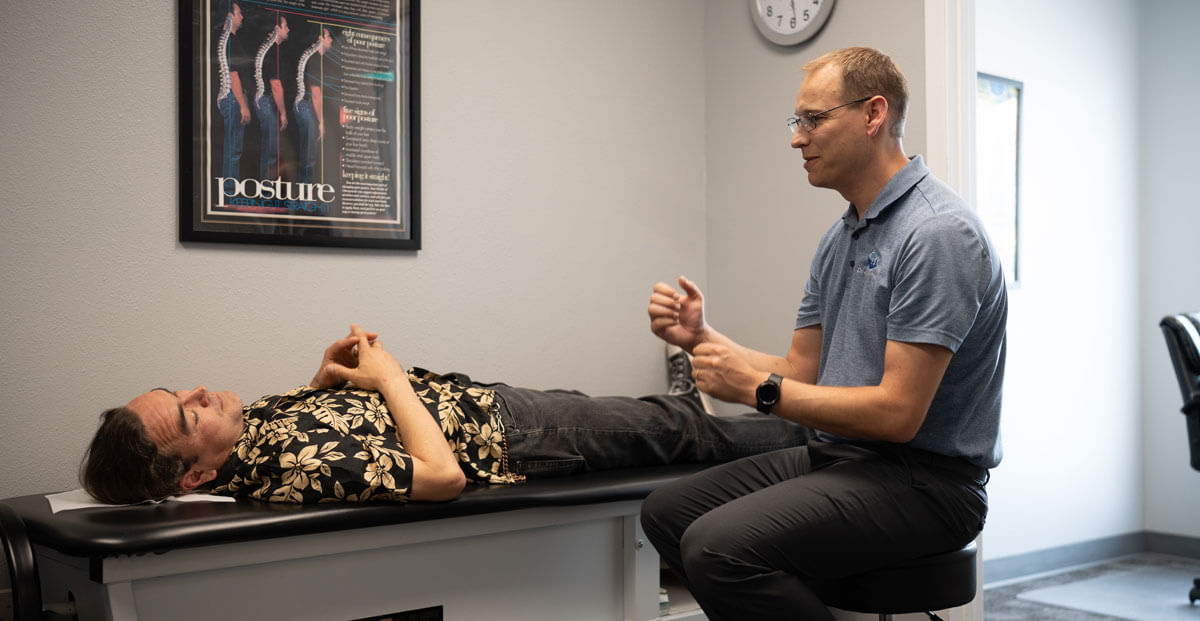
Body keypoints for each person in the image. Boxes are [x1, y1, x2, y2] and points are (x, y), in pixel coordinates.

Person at [640, 46, 1007, 620]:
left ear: (873, 114)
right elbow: (801, 373)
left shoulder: (938, 234)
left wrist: (759, 391)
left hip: (930, 484)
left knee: (717, 549)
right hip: (844, 459)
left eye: (812, 119)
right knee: (666, 511)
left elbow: (896, 414)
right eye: (797, 122)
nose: (796, 138)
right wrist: (703, 337)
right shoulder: (841, 238)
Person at [79, 325, 810, 505]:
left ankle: (809, 425)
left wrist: (325, 379)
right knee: (682, 427)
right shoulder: (289, 472)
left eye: (182, 388)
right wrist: (390, 374)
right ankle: (824, 430)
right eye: (187, 411)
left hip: (494, 406)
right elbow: (438, 473)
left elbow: (323, 424)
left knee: (671, 417)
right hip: (510, 437)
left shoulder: (252, 439)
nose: (202, 393)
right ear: (197, 474)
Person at [216, 2, 251, 179]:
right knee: (234, 151)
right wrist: (243, 105)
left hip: (228, 97)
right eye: (239, 13)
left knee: (233, 150)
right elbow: (233, 74)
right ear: (230, 16)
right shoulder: (231, 40)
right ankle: (230, 192)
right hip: (232, 97)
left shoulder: (226, 38)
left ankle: (229, 192)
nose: (242, 16)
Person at [253, 14, 289, 180]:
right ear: (276, 29)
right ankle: (268, 193)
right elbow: (276, 85)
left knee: (269, 149)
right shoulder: (272, 51)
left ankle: (267, 191)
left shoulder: (267, 48)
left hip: (262, 100)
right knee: (272, 150)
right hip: (266, 100)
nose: (288, 29)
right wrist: (283, 113)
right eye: (285, 26)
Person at [294, 27, 332, 184]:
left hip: (301, 106)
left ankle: (304, 196)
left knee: (306, 155)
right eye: (328, 37)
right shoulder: (316, 59)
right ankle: (307, 200)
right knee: (311, 156)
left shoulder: (311, 57)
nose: (331, 40)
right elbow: (316, 93)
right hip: (308, 107)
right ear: (320, 38)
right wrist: (321, 121)